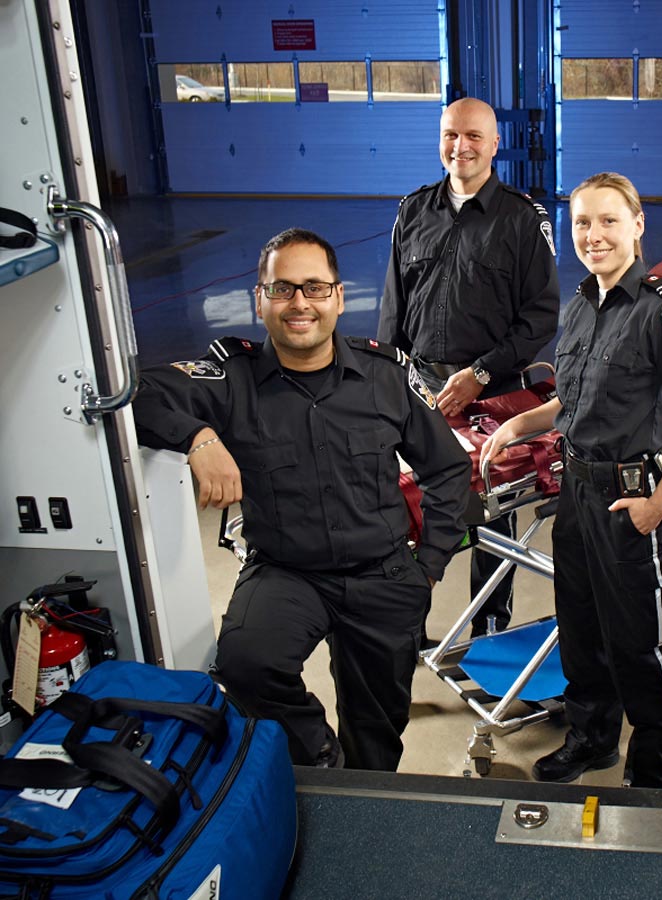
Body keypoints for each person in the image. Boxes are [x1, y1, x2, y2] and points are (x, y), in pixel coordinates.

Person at [132, 227, 470, 771]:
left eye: (314, 288)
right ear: (259, 300)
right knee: (246, 668)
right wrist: (199, 437)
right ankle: (319, 757)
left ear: (338, 297)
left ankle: (367, 800)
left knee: (378, 729)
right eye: (282, 289)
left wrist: (427, 566)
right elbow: (134, 391)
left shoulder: (386, 376)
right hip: (286, 572)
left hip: (382, 576)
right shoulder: (229, 378)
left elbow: (449, 469)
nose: (299, 304)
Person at [481, 172, 662, 788]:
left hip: (633, 496)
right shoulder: (582, 303)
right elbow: (570, 399)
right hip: (577, 492)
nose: (593, 235)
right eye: (582, 222)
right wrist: (516, 427)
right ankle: (591, 740)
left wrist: (657, 506)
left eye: (609, 220)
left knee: (644, 644)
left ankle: (651, 767)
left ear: (638, 225)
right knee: (582, 628)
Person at [378, 96, 560, 638]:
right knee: (402, 507)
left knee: (491, 509)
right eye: (451, 135)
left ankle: (490, 631)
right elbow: (393, 307)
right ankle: (406, 629)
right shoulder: (412, 210)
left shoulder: (524, 219)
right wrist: (388, 378)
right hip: (418, 387)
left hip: (491, 392)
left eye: (474, 136)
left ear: (495, 143)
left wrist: (480, 373)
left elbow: (539, 317)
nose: (461, 147)